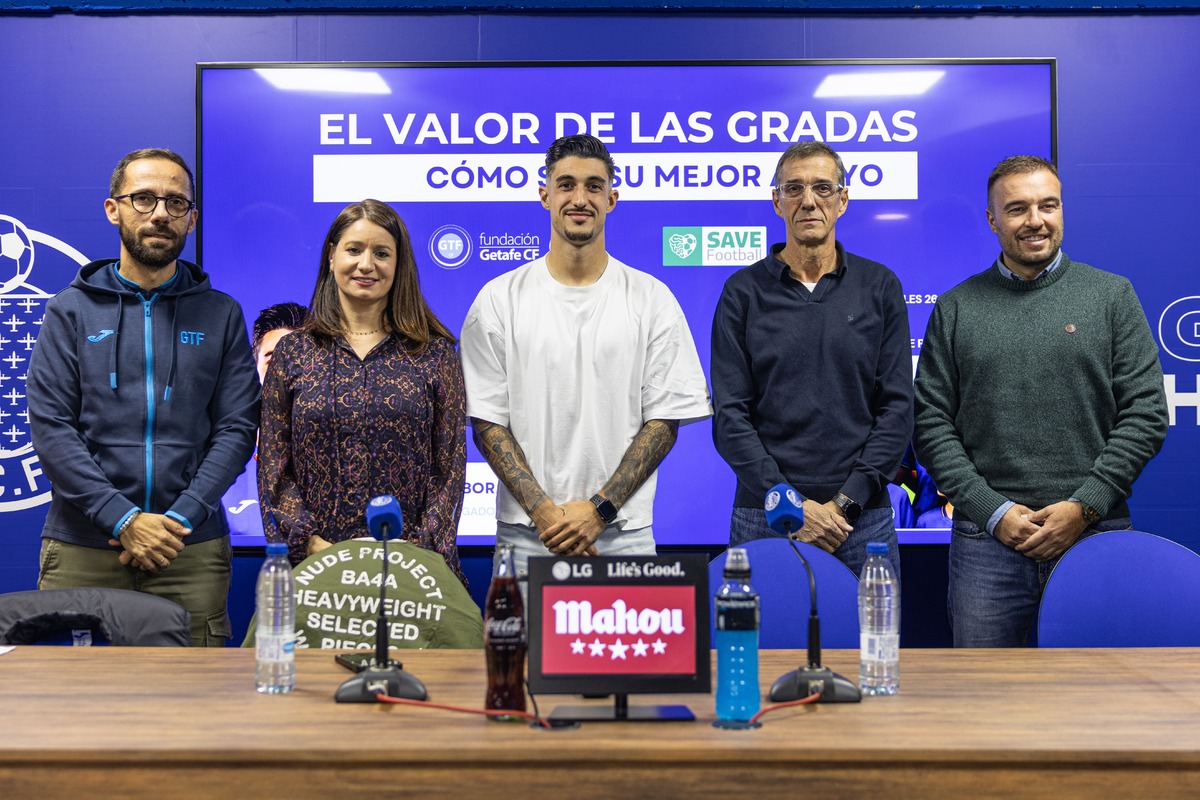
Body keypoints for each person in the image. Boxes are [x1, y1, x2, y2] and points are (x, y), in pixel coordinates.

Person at [913, 155, 1169, 647]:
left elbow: (1145, 414)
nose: (1035, 220)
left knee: (1097, 699)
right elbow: (931, 424)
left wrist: (1084, 506)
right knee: (988, 702)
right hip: (987, 544)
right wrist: (992, 511)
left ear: (1062, 210)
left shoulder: (1111, 296)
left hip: (1092, 535)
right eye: (1017, 209)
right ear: (992, 219)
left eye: (1047, 205)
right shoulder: (956, 307)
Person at [28, 148, 260, 647]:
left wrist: (178, 520)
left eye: (176, 203)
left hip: (189, 551)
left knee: (193, 708)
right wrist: (124, 519)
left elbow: (238, 427)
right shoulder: (68, 312)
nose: (159, 213)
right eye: (144, 199)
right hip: (83, 547)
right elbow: (52, 430)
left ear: (192, 220)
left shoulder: (221, 315)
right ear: (114, 209)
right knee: (73, 708)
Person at [460, 135, 711, 578]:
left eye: (594, 186)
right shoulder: (498, 299)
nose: (580, 198)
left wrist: (599, 511)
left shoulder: (652, 298)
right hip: (526, 536)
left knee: (632, 653)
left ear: (612, 199)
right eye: (567, 185)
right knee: (519, 652)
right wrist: (544, 513)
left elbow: (664, 421)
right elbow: (487, 422)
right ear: (545, 195)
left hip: (625, 535)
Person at [711, 141, 913, 579]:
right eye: (794, 188)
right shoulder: (742, 292)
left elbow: (897, 409)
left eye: (823, 188)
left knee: (869, 649)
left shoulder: (880, 286)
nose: (808, 201)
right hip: (763, 516)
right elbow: (730, 417)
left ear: (843, 200)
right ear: (776, 200)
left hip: (860, 521)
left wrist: (844, 503)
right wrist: (791, 505)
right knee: (758, 649)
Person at [258, 200, 468, 584]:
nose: (366, 264)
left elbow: (449, 470)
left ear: (398, 264)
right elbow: (273, 467)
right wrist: (311, 545)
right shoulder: (293, 353)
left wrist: (414, 554)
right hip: (315, 572)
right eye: (354, 250)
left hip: (414, 574)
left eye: (382, 253)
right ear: (331, 255)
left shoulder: (434, 352)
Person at [221, 302, 308, 542]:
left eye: (297, 359)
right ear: (255, 369)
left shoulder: (338, 464)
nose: (284, 372)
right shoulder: (222, 463)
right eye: (272, 359)